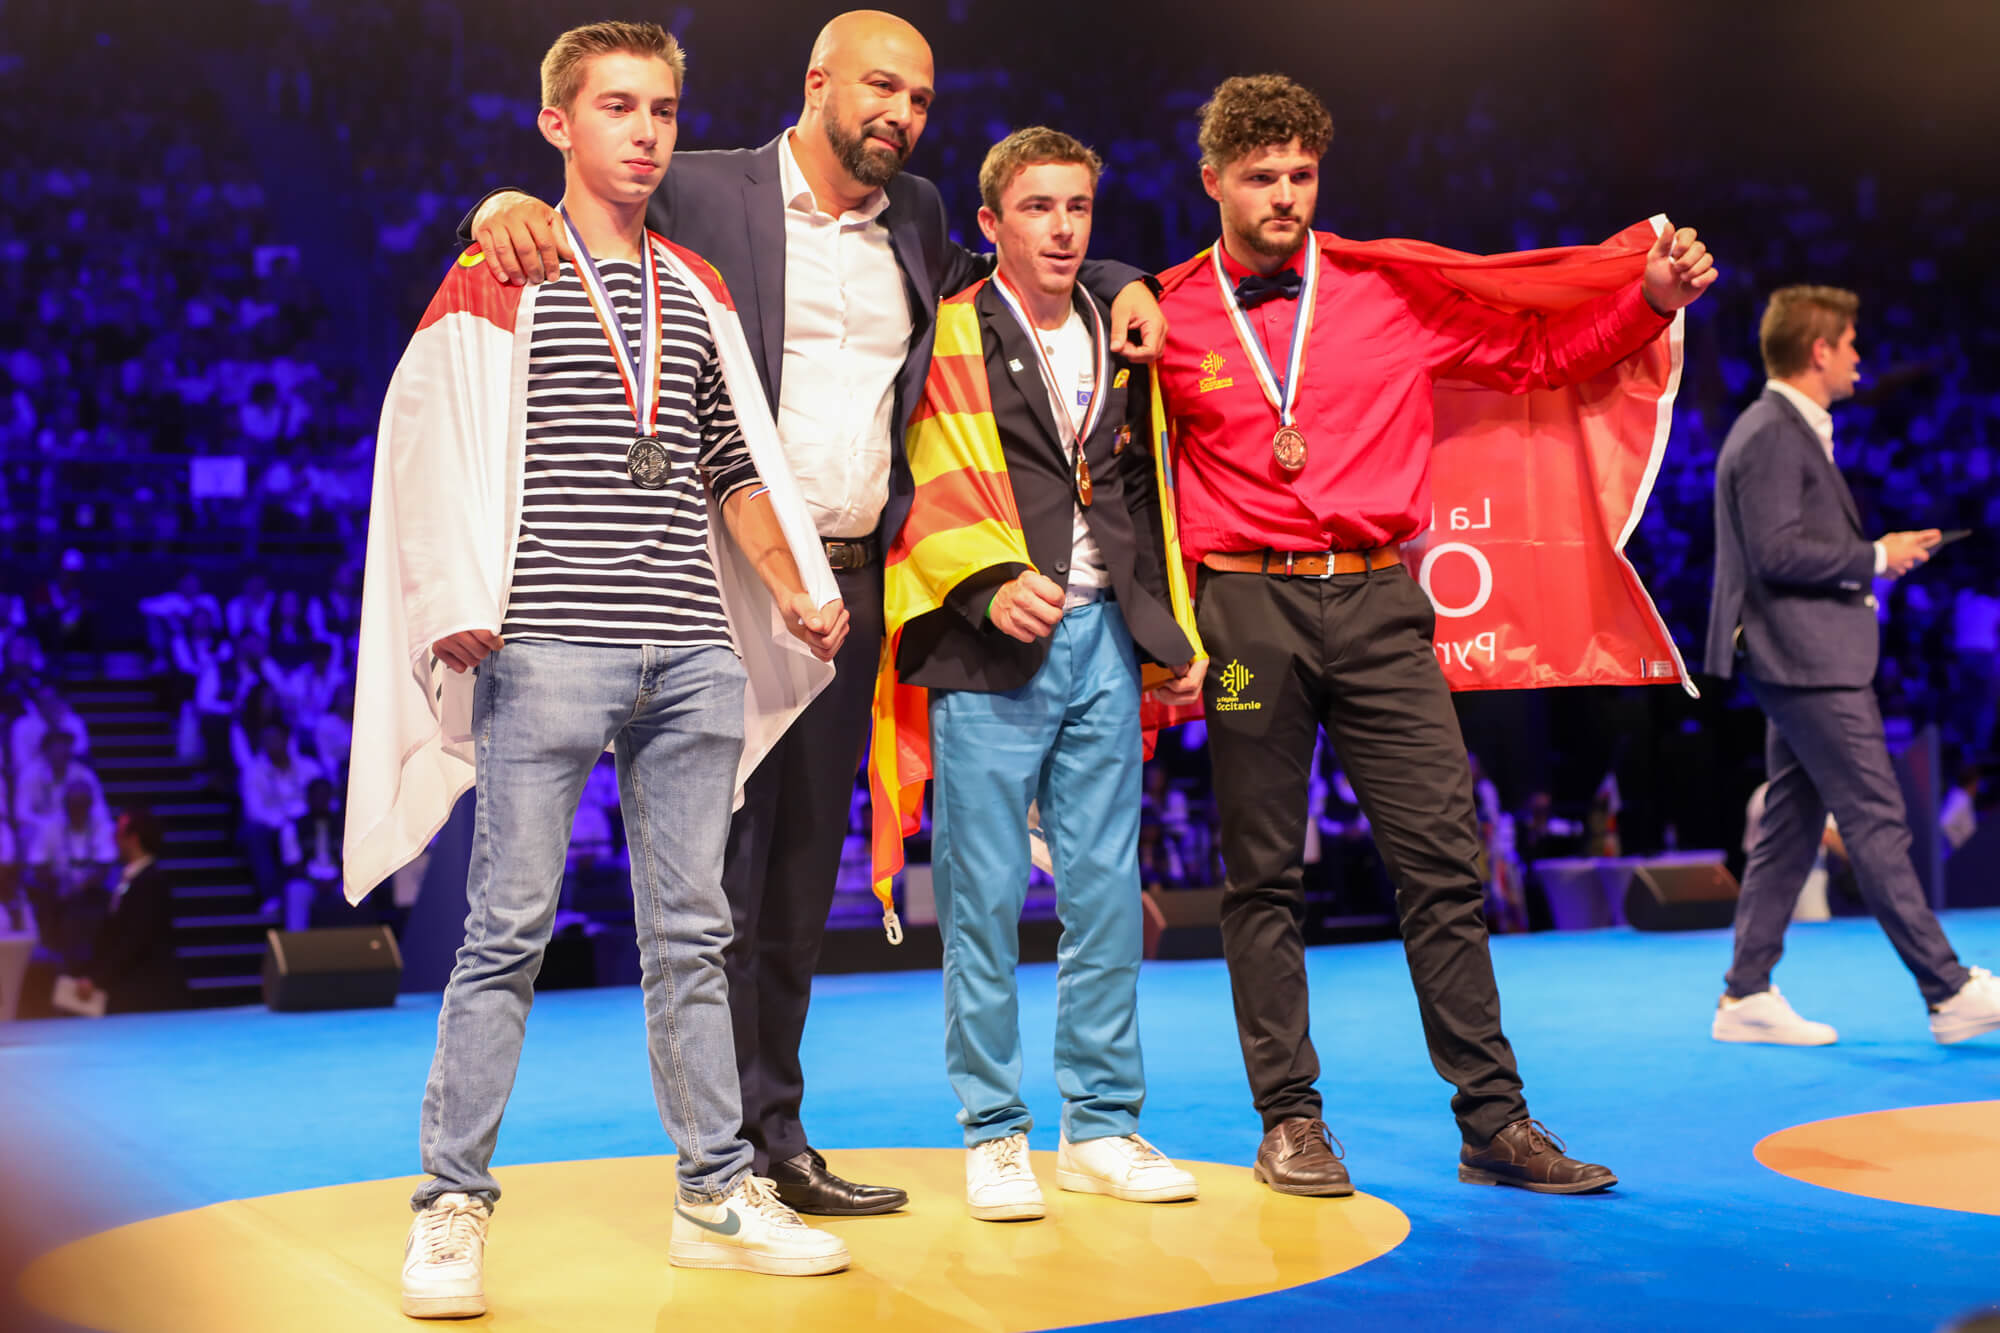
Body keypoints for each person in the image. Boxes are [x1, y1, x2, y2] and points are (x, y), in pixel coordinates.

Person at [462, 8, 1166, 1217]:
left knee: (794, 872)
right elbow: (587, 196)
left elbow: (1007, 281)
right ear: (816, 85)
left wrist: (1115, 274)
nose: (899, 113)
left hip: (844, 582)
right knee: (707, 881)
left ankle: (771, 1135)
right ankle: (710, 1156)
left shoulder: (925, 212)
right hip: (704, 570)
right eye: (879, 87)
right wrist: (492, 208)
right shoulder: (700, 185)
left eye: (921, 98)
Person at [345, 23, 852, 1319]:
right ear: (558, 124)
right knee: (504, 932)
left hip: (693, 648)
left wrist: (792, 586)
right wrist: (456, 593)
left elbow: (732, 461)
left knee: (693, 936)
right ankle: (451, 1207)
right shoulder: (503, 262)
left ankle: (713, 1192)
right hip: (549, 648)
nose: (645, 131)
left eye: (665, 110)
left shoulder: (694, 286)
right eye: (617, 106)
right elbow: (429, 433)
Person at [1152, 74, 1715, 1196]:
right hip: (1242, 608)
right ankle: (1289, 1123)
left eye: (1300, 176)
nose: (1283, 197)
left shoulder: (1383, 292)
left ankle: (1492, 1122)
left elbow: (1542, 359)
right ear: (1211, 181)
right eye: (1259, 177)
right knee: (1260, 878)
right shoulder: (1158, 311)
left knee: (1443, 865)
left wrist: (1646, 300)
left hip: (1376, 600)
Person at [878, 127, 1204, 1220]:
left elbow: (1143, 485)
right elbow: (910, 474)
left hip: (1106, 631)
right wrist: (977, 583)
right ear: (990, 224)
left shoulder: (1120, 327)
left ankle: (1101, 1124)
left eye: (1076, 208)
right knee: (981, 900)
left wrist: (1170, 635)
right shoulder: (950, 328)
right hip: (988, 642)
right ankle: (991, 1131)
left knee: (1107, 888)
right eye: (1036, 208)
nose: (1061, 228)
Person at [1704, 284, 2000, 1047]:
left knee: (1791, 829)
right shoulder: (1773, 431)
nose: (1861, 356)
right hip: (1808, 659)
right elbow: (1775, 553)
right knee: (1876, 817)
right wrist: (1875, 555)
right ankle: (1948, 988)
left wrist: (1877, 557)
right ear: (1819, 351)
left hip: (1802, 656)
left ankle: (1745, 993)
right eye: (1852, 343)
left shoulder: (1783, 428)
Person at [66, 808, 187, 1015]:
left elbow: (135, 940)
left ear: (133, 839)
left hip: (147, 992)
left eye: (119, 832)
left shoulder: (151, 882)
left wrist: (99, 978)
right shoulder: (129, 877)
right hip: (129, 987)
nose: (114, 838)